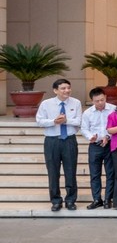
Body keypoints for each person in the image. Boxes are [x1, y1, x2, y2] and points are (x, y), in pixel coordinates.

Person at [36, 79, 82, 211]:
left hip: (69, 140)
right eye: (63, 88)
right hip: (52, 141)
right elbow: (39, 121)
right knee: (53, 172)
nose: (67, 90)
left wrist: (67, 120)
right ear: (55, 90)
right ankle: (56, 200)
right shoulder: (46, 104)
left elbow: (79, 120)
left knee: (70, 171)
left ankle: (70, 200)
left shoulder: (76, 103)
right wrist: (53, 121)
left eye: (68, 88)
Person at [81, 87, 116, 209]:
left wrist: (108, 136)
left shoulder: (113, 109)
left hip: (110, 144)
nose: (100, 103)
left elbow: (116, 126)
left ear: (105, 97)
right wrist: (91, 137)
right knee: (95, 174)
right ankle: (97, 199)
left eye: (102, 100)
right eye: (97, 101)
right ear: (92, 101)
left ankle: (108, 199)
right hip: (95, 145)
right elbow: (84, 128)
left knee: (111, 173)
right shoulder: (87, 113)